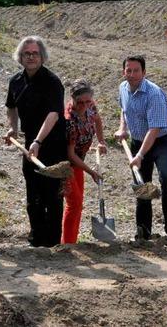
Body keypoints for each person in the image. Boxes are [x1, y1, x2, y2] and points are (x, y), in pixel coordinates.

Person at [5, 35, 66, 247]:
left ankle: (53, 243)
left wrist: (38, 141)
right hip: (30, 145)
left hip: (52, 145)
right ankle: (36, 241)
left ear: (42, 57)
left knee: (52, 195)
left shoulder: (52, 82)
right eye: (26, 54)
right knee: (33, 196)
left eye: (35, 53)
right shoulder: (15, 81)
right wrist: (13, 128)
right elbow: (11, 106)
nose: (31, 57)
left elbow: (54, 114)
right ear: (20, 57)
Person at [114, 55, 167, 244]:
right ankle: (143, 231)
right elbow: (124, 110)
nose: (132, 74)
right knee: (142, 186)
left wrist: (140, 155)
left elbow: (155, 128)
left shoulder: (154, 93)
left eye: (136, 70)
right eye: (129, 70)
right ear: (124, 72)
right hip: (137, 140)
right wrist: (122, 128)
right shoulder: (123, 88)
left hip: (160, 142)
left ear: (144, 72)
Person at [61, 79, 106, 244]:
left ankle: (71, 240)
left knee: (78, 204)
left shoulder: (90, 106)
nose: (84, 106)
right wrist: (91, 171)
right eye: (80, 103)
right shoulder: (69, 121)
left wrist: (101, 141)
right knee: (74, 203)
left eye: (88, 102)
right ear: (72, 99)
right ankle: (67, 244)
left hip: (79, 161)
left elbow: (97, 119)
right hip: (65, 164)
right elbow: (70, 154)